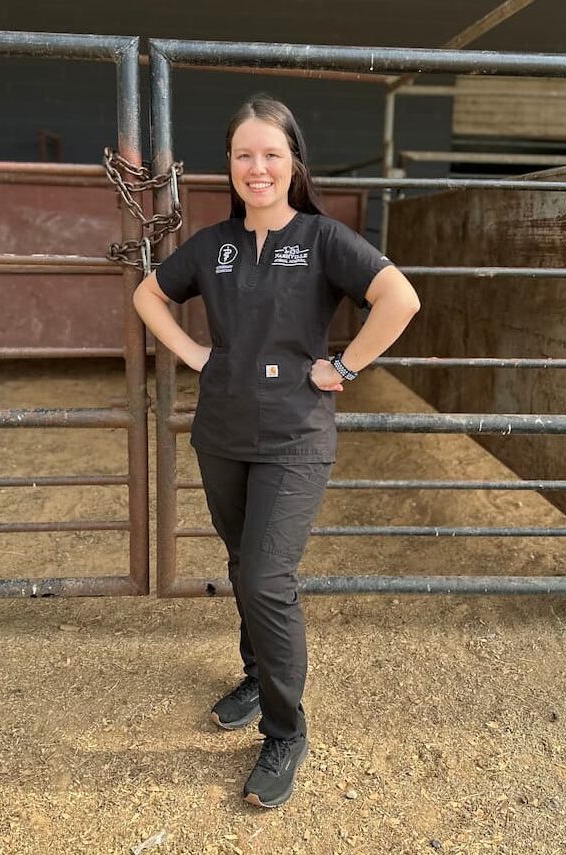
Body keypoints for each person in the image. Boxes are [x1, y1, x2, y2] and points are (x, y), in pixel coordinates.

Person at [133, 94, 420, 809]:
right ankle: (258, 673)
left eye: (270, 154)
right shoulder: (213, 245)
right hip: (223, 432)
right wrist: (196, 352)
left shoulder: (323, 239)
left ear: (293, 162)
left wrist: (344, 367)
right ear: (229, 165)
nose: (256, 168)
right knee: (240, 563)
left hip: (296, 434)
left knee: (265, 574)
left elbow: (399, 299)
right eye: (242, 155)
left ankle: (285, 729)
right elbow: (147, 295)